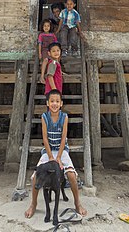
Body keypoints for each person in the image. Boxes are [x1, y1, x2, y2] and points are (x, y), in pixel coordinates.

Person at [24, 89, 87, 220]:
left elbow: (64, 138)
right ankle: (33, 204)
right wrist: (51, 157)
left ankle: (77, 203)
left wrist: (58, 157)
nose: (54, 104)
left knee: (71, 174)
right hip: (48, 151)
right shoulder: (44, 117)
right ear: (47, 103)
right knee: (36, 177)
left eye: (57, 101)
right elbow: (45, 138)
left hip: (62, 150)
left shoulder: (64, 117)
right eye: (52, 101)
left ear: (61, 103)